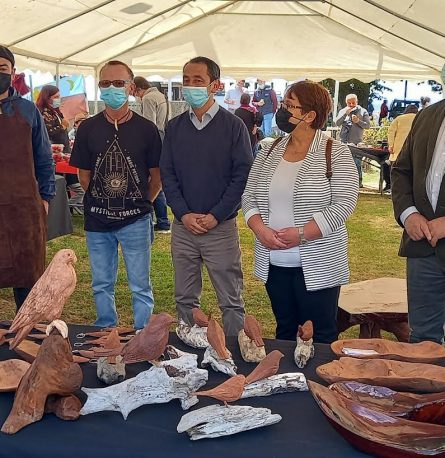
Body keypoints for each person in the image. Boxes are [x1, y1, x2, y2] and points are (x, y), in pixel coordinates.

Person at [242, 80, 359, 344]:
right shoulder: (269, 150)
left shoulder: (335, 152)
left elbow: (344, 203)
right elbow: (249, 196)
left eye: (289, 105)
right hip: (275, 263)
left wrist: (302, 235)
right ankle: (287, 382)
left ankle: (320, 384)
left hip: (319, 263)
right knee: (284, 331)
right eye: (283, 103)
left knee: (319, 334)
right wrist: (260, 229)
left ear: (309, 115)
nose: (282, 109)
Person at [160, 56, 252, 336]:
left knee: (231, 300)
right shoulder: (174, 127)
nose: (189, 86)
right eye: (186, 80)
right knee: (185, 297)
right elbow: (168, 174)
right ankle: (190, 347)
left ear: (215, 85)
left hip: (220, 228)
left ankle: (235, 350)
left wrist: (216, 216)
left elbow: (242, 176)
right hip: (184, 228)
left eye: (197, 80)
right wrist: (183, 213)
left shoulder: (234, 126)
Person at [70, 60, 162, 330]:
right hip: (97, 221)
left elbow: (157, 176)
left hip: (136, 220)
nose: (112, 88)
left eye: (118, 83)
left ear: (131, 87)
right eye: (105, 83)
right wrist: (103, 200)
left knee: (140, 285)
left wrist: (144, 203)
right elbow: (83, 175)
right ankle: (104, 330)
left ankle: (142, 333)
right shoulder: (87, 128)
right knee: (101, 283)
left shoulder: (147, 130)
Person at [0, 45, 55, 309]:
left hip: (23, 208)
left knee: (27, 278)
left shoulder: (28, 111)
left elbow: (44, 158)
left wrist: (45, 198)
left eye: (2, 69)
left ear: (12, 73)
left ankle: (27, 335)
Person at [391, 99, 445, 344]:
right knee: (423, 341)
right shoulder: (426, 116)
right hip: (423, 250)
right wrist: (408, 213)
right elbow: (401, 171)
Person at [133, 76, 171, 233]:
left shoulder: (148, 98)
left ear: (137, 88)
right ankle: (161, 220)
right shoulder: (161, 96)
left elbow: (148, 125)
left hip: (153, 143)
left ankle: (161, 220)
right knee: (157, 181)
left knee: (153, 182)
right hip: (162, 140)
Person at [334, 93, 370, 188]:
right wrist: (344, 114)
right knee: (342, 163)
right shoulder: (343, 111)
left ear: (357, 102)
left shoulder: (363, 111)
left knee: (356, 163)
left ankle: (358, 183)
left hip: (357, 142)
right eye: (349, 103)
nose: (351, 105)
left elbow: (367, 125)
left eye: (353, 103)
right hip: (343, 141)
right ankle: (343, 183)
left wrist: (358, 121)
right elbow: (337, 123)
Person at [385, 104, 419, 192]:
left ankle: (394, 189)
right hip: (414, 150)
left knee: (396, 172)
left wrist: (391, 145)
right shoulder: (419, 118)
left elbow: (391, 132)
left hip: (398, 150)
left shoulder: (399, 119)